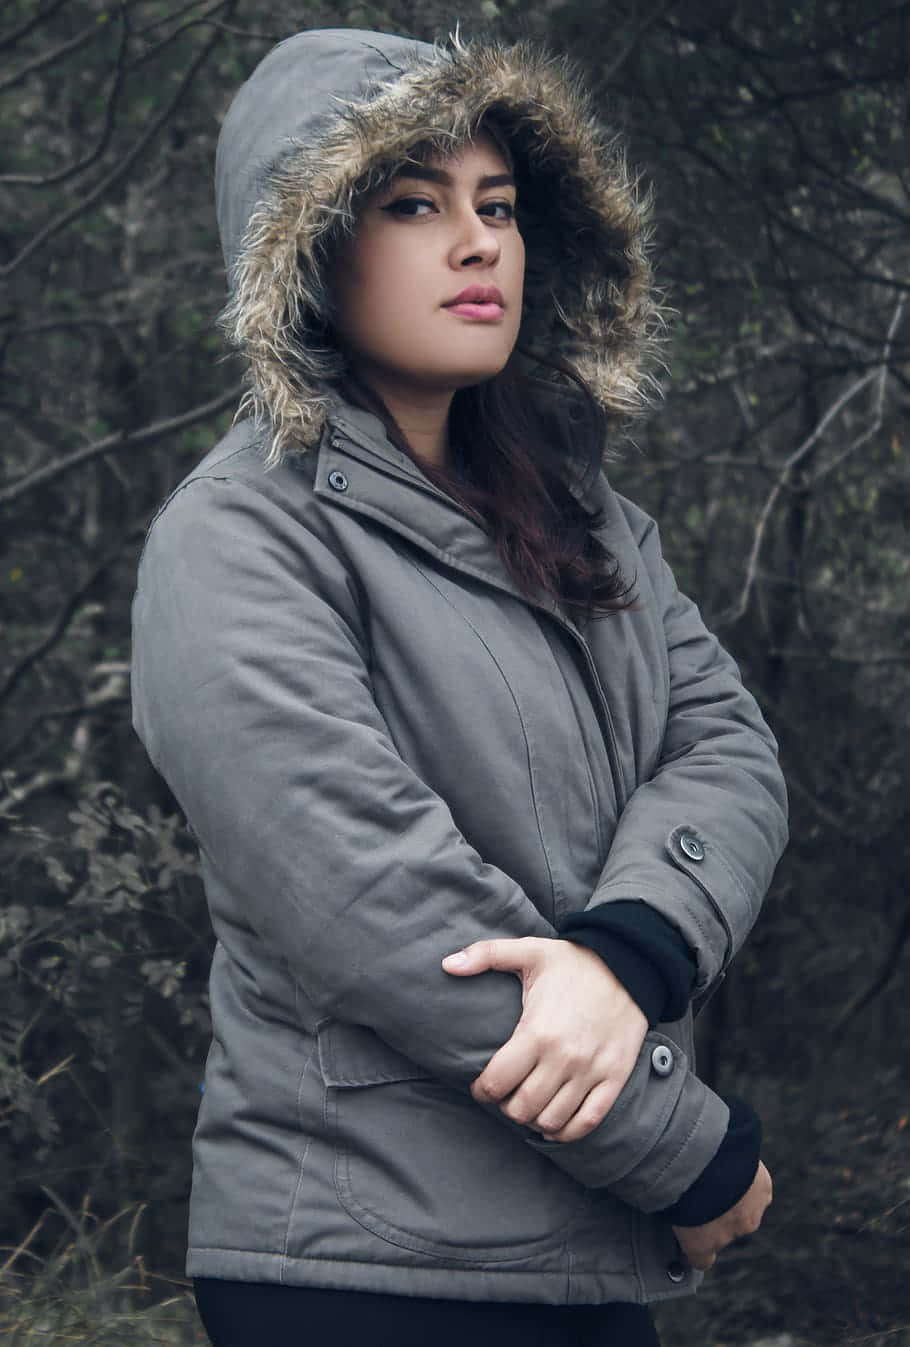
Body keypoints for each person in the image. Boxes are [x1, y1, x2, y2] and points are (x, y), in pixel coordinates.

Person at [130, 27, 788, 1347]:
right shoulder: (236, 541)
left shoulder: (584, 515)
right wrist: (683, 1147)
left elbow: (726, 750)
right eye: (413, 204)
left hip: (585, 1257)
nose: (477, 242)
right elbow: (375, 903)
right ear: (308, 248)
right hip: (361, 1268)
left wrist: (622, 954)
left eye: (496, 206)